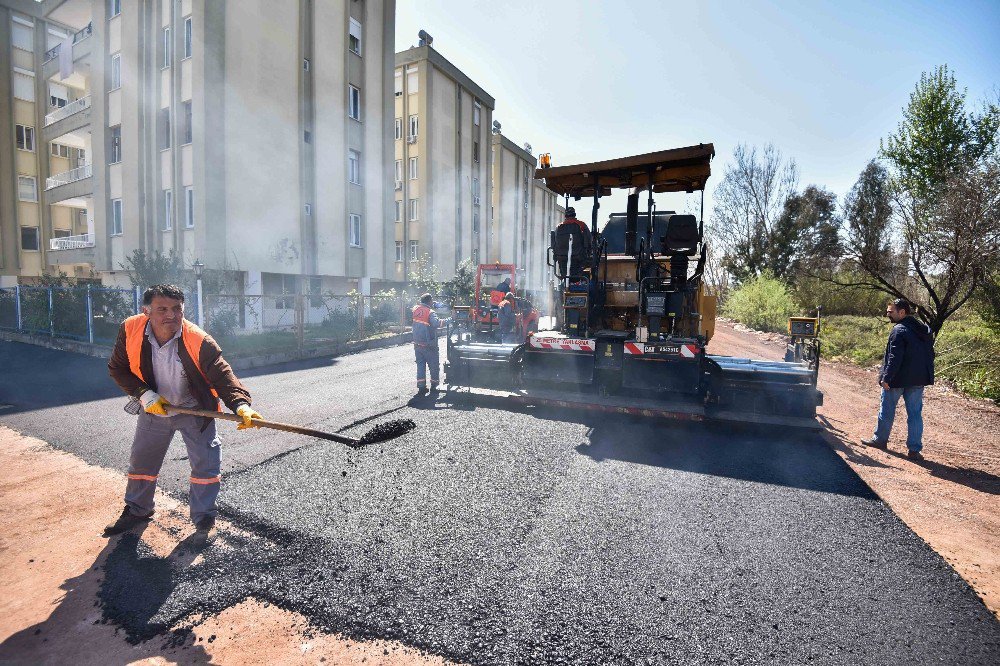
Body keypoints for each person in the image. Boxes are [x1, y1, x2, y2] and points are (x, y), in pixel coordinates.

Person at [106, 283, 262, 544]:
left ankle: (204, 518)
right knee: (142, 463)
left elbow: (222, 374)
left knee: (206, 464)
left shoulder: (198, 339)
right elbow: (118, 368)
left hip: (195, 411)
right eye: (162, 309)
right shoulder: (130, 329)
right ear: (146, 311)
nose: (171, 315)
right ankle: (137, 510)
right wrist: (145, 395)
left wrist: (241, 405)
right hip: (155, 409)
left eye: (177, 308)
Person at [862, 298, 935, 460]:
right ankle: (914, 450)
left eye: (891, 312)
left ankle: (880, 440)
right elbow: (930, 354)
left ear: (902, 312)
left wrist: (886, 378)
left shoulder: (899, 330)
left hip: (897, 380)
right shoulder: (925, 330)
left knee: (887, 410)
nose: (888, 314)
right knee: (915, 414)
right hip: (918, 380)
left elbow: (895, 358)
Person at [412, 292, 443, 395]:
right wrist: (450, 319)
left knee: (420, 366)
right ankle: (434, 386)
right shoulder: (430, 312)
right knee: (434, 366)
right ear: (430, 301)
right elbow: (436, 323)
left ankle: (421, 387)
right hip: (429, 345)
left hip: (417, 344)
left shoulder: (415, 309)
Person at [554, 207, 593, 277]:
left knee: (565, 275)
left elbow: (555, 242)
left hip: (562, 257)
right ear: (574, 214)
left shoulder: (559, 227)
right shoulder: (582, 225)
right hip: (579, 257)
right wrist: (589, 251)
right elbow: (589, 239)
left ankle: (566, 282)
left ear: (565, 215)